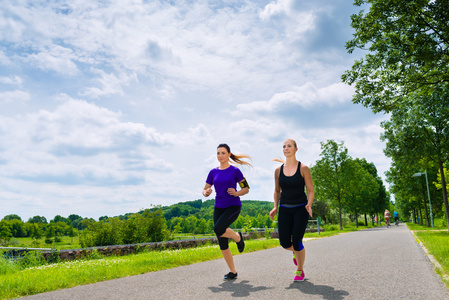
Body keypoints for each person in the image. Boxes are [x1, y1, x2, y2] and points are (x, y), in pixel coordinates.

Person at [202, 143, 251, 280]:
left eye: (223, 153)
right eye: (218, 153)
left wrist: (236, 193)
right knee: (222, 242)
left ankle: (237, 237)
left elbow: (246, 188)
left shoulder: (235, 171)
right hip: (219, 207)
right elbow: (204, 189)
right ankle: (233, 271)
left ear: (229, 154)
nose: (220, 156)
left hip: (233, 206)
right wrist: (206, 192)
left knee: (218, 228)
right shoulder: (213, 172)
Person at [269, 139, 314, 282]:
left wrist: (309, 204)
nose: (286, 148)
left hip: (300, 208)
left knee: (297, 240)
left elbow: (310, 190)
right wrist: (275, 206)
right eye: (284, 146)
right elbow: (277, 191)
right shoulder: (278, 170)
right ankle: (295, 251)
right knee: (284, 242)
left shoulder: (303, 168)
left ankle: (300, 270)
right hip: (284, 209)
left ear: (295, 149)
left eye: (289, 146)